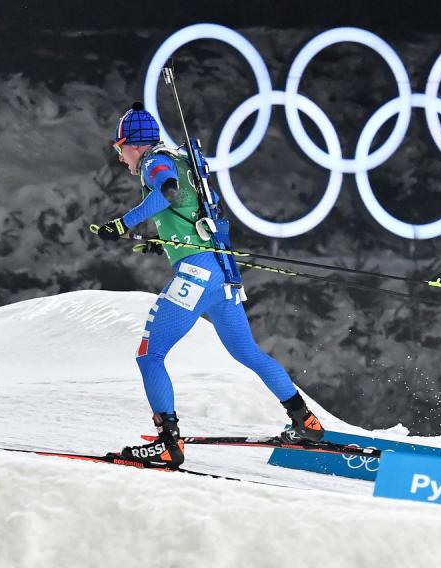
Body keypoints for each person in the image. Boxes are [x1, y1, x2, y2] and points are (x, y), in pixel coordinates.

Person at [96, 102, 324, 468]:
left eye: (120, 148)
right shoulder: (178, 158)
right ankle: (305, 421)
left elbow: (167, 192)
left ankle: (168, 443)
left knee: (149, 355)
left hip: (197, 274)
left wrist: (123, 224)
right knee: (247, 352)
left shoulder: (156, 161)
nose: (121, 157)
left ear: (133, 144)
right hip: (220, 272)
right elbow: (185, 209)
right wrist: (163, 239)